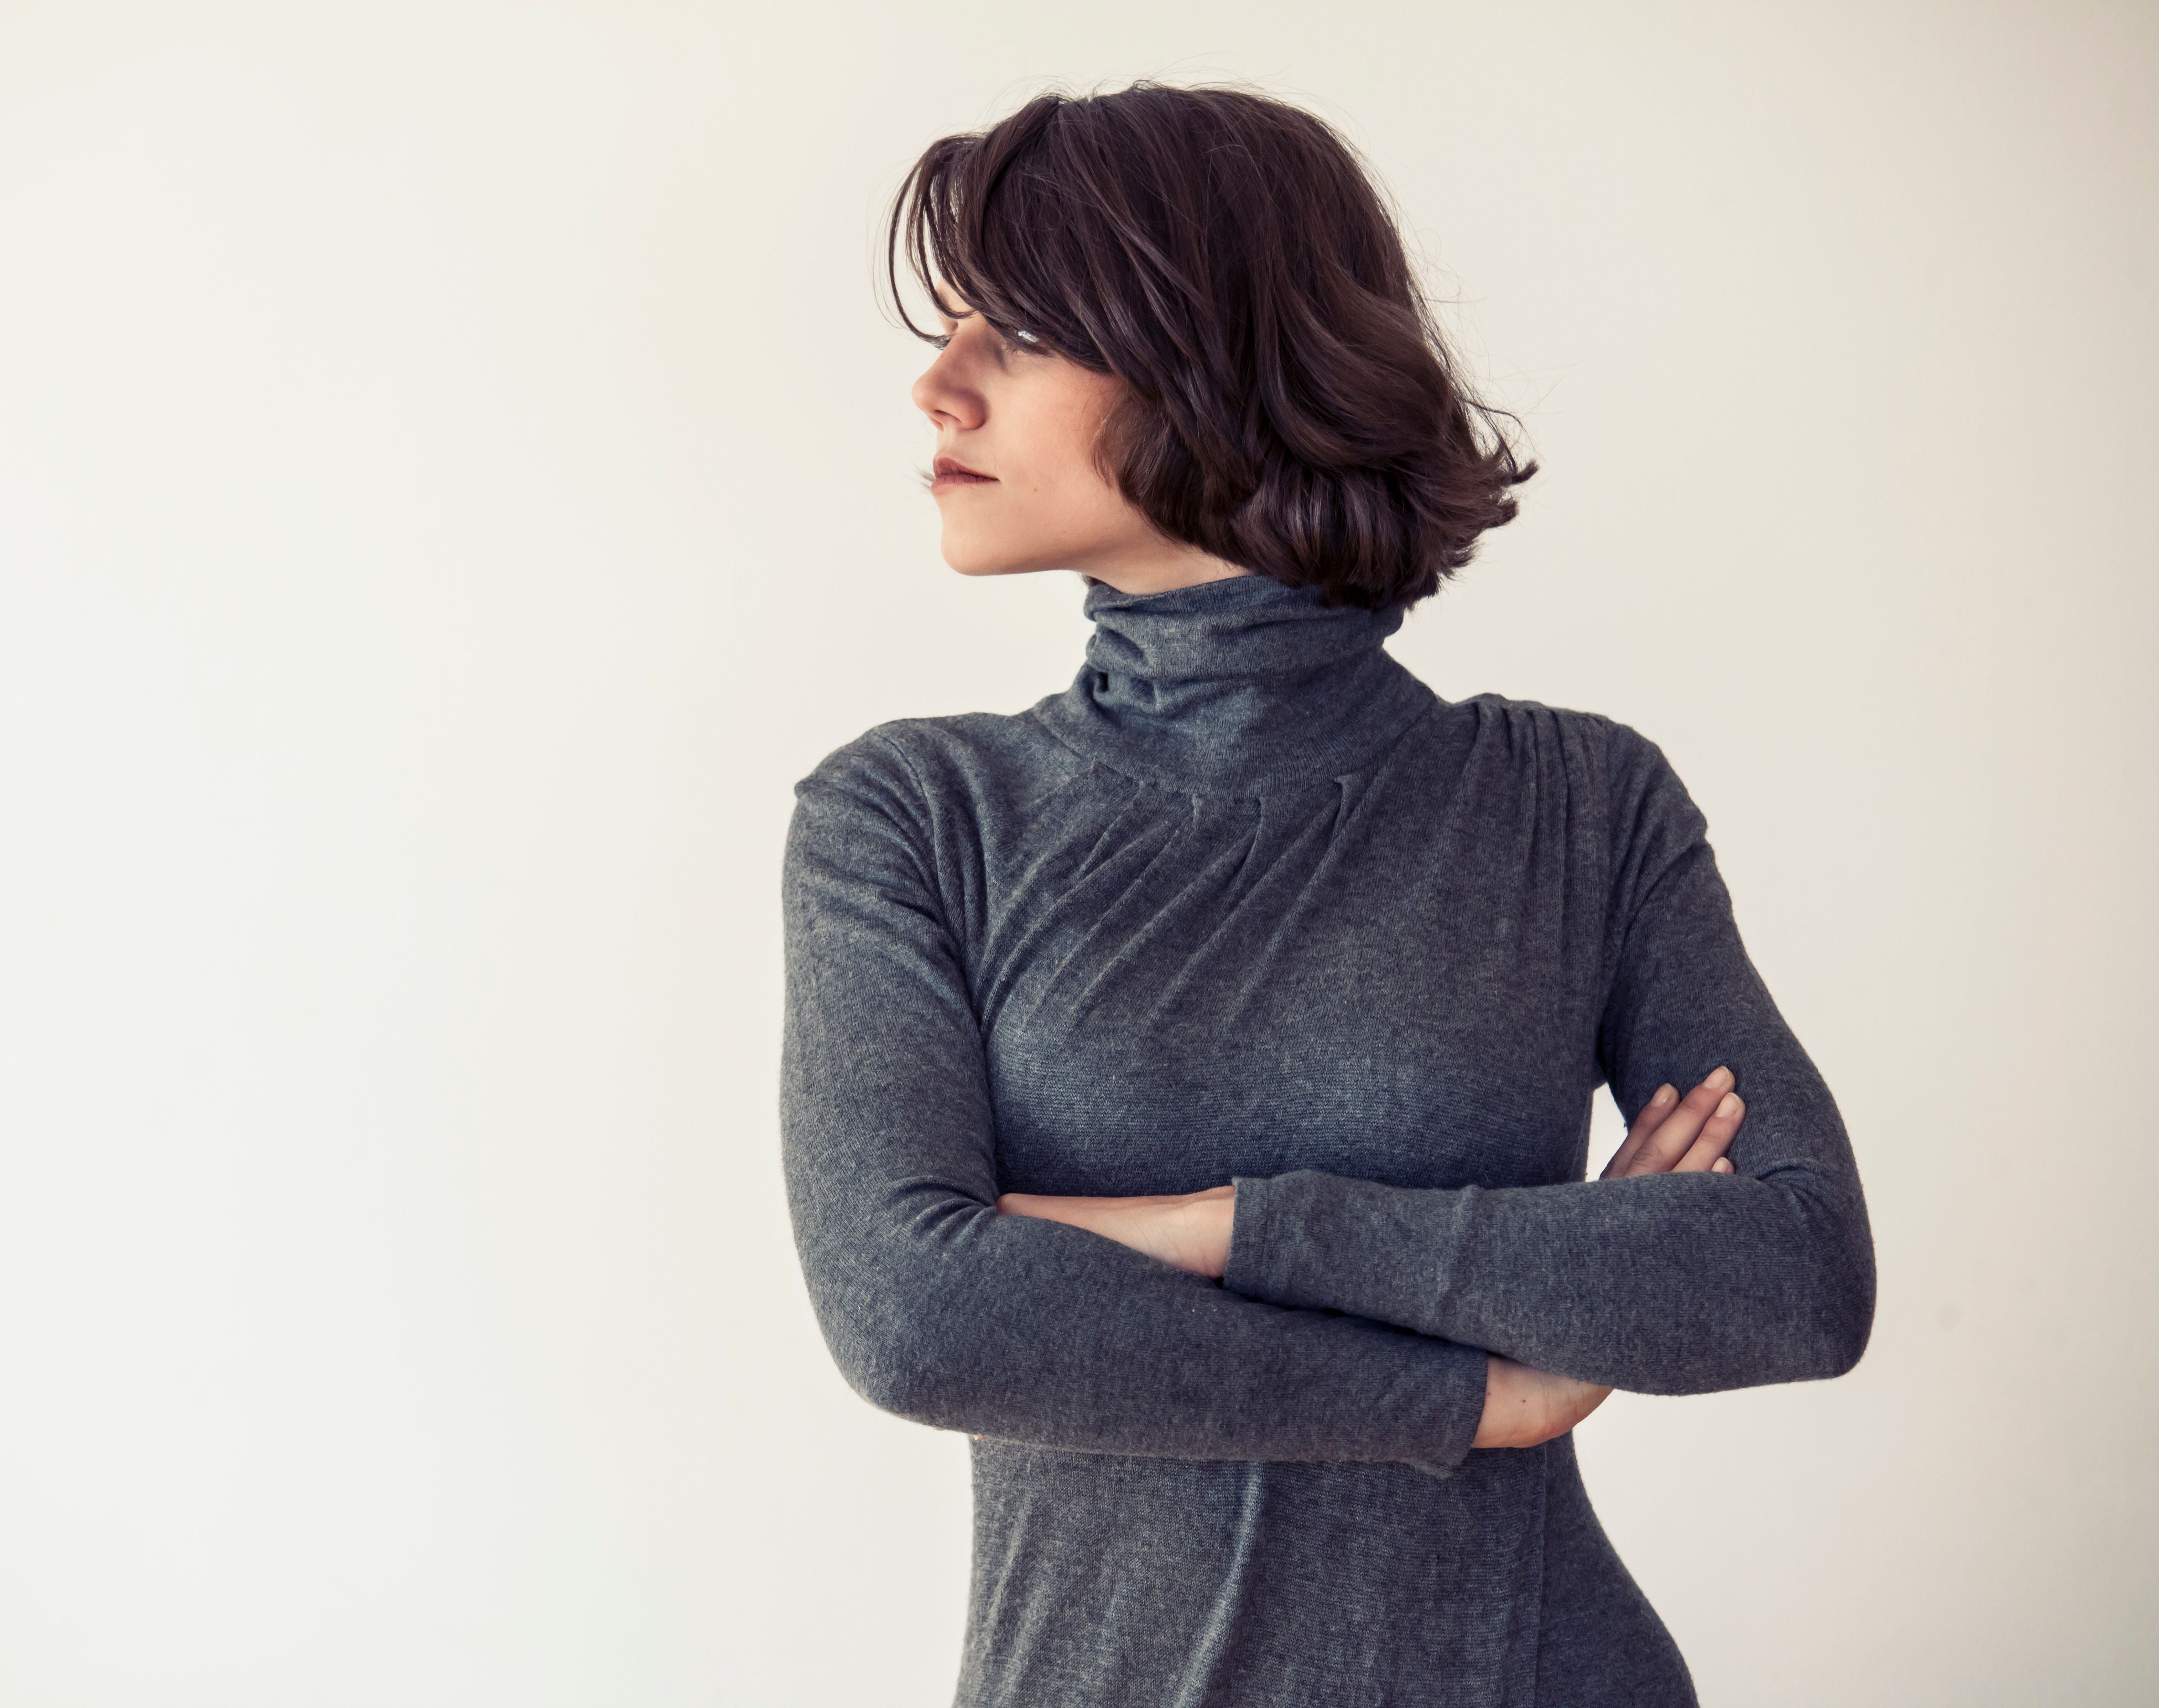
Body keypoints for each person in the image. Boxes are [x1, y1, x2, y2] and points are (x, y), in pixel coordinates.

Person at [777, 82, 1876, 1707]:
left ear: (1213, 356)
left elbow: (1793, 1273)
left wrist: (1209, 1231)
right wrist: (1486, 1396)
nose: (938, 388)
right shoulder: (915, 816)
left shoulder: (1576, 807)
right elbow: (918, 1319)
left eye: (1011, 333)